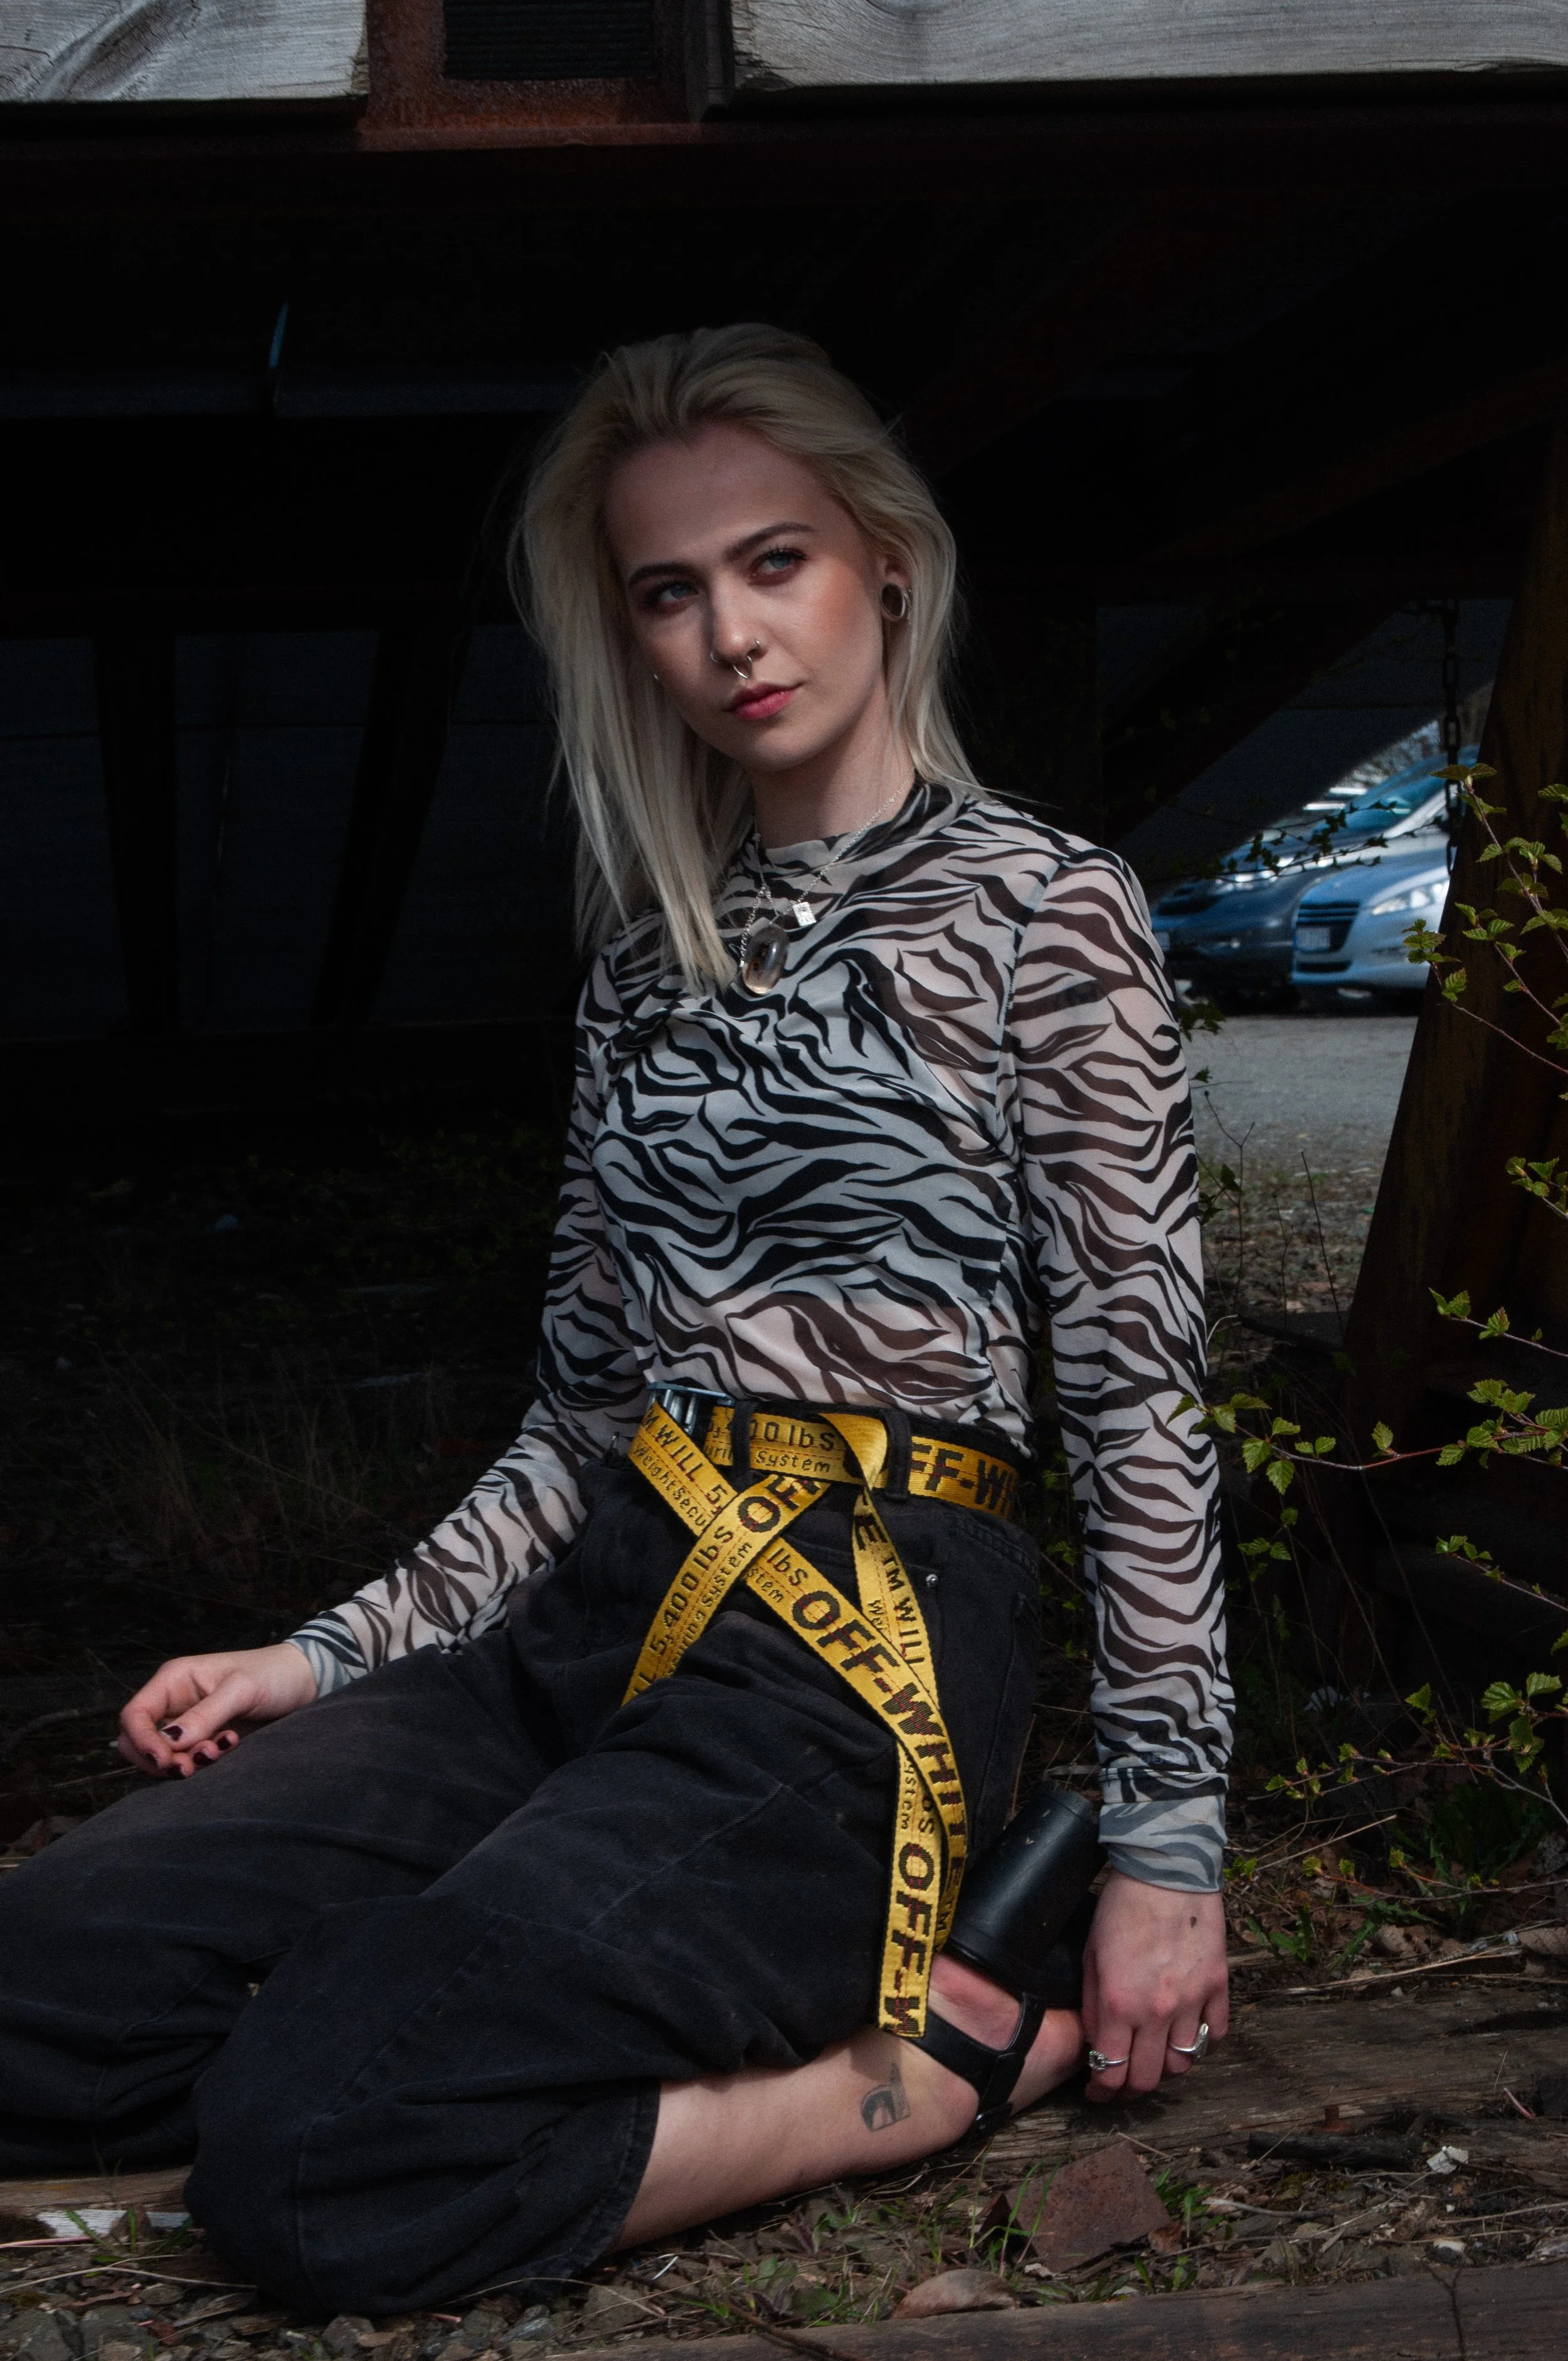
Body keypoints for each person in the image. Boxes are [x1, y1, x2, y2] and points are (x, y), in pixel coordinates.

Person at [0, 325, 1231, 2313]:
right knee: (39, 1982)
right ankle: (458, 1977)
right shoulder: (650, 961)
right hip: (599, 1606)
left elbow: (1142, 1399)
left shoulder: (1045, 904)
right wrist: (315, 1658)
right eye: (669, 590)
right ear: (626, 635)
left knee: (310, 2146)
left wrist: (1169, 1848)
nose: (731, 631)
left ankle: (901, 2079)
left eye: (774, 560)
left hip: (862, 1646)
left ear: (882, 563)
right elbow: (573, 1427)